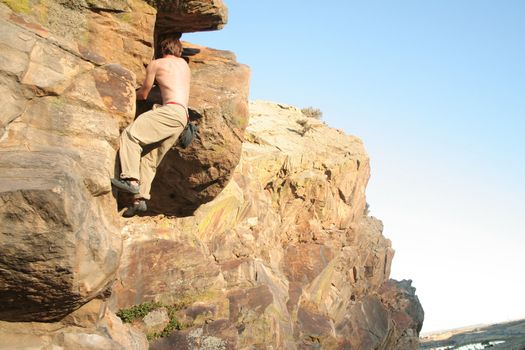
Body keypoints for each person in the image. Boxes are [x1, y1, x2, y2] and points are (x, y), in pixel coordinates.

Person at [111, 36, 191, 217]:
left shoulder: (156, 64)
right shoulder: (185, 66)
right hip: (182, 117)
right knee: (149, 159)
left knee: (131, 136)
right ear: (179, 51)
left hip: (169, 111)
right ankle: (139, 200)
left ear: (163, 49)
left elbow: (144, 94)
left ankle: (131, 181)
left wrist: (129, 93)